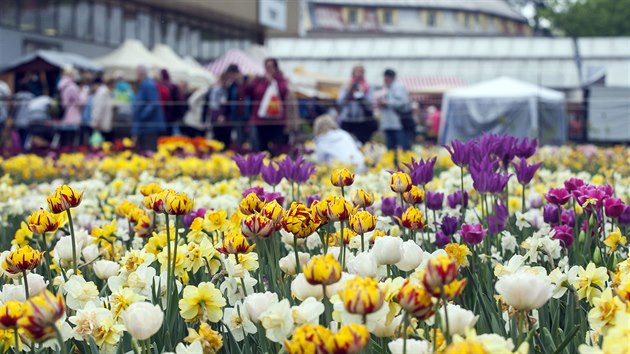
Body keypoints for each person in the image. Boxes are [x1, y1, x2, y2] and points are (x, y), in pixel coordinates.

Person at [246, 58, 289, 154]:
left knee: (277, 146)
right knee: (261, 146)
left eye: (271, 66)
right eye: (266, 67)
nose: (268, 69)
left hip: (276, 120)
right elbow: (248, 92)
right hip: (260, 120)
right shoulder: (259, 80)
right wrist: (249, 82)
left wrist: (273, 82)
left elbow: (284, 91)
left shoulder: (281, 79)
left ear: (275, 68)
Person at [337, 65, 376, 144]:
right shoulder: (346, 85)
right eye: (357, 72)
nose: (359, 74)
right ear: (353, 73)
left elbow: (370, 103)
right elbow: (340, 102)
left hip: (363, 120)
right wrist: (348, 91)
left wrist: (361, 94)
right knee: (346, 142)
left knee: (363, 142)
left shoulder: (368, 86)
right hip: (347, 119)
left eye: (361, 72)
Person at [132, 65, 166, 151]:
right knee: (143, 149)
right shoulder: (145, 84)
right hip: (145, 126)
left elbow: (153, 103)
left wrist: (142, 116)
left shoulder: (148, 84)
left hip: (148, 125)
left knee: (148, 150)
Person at [377, 69, 412, 151]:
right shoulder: (388, 87)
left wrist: (387, 103)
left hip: (398, 123)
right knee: (391, 148)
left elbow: (403, 101)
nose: (384, 79)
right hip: (390, 123)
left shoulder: (398, 87)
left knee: (403, 146)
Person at [223, 64, 249, 147]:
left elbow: (244, 97)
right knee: (239, 137)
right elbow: (231, 100)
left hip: (247, 114)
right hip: (237, 115)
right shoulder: (232, 86)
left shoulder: (246, 82)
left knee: (249, 137)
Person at [57, 65, 82, 146]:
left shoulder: (62, 85)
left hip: (65, 114)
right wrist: (84, 94)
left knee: (64, 139)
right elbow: (80, 101)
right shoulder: (72, 87)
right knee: (71, 140)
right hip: (73, 115)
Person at [207, 72, 230, 148]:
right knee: (218, 135)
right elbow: (214, 104)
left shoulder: (223, 89)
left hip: (219, 114)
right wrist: (219, 115)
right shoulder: (218, 90)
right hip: (218, 114)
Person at [12, 80, 35, 149]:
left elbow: (14, 109)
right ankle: (24, 150)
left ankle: (19, 150)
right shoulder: (32, 97)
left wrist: (12, 117)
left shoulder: (17, 96)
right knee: (25, 137)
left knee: (18, 137)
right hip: (28, 120)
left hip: (18, 120)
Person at [91, 77, 115, 142]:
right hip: (101, 125)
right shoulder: (103, 93)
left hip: (105, 124)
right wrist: (96, 121)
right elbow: (98, 108)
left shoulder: (108, 92)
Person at [112, 71, 134, 139]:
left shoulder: (115, 90)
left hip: (118, 116)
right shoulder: (129, 88)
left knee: (118, 139)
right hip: (128, 116)